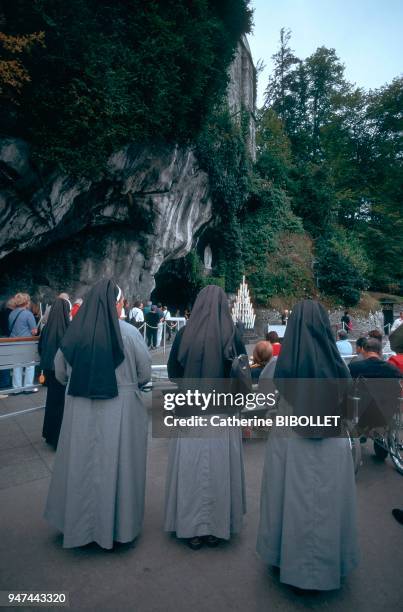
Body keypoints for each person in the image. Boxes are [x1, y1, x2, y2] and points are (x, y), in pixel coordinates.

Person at [256, 300, 358, 591]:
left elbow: (265, 399)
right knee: (326, 502)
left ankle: (283, 557)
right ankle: (328, 562)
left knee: (288, 498)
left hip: (289, 439)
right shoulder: (340, 367)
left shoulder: (279, 365)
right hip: (331, 442)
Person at [44, 280, 151, 549]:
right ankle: (117, 527)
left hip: (79, 407)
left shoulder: (74, 334)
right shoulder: (129, 333)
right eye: (121, 301)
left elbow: (59, 371)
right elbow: (144, 374)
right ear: (115, 304)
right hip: (121, 409)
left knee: (81, 465)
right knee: (117, 466)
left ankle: (78, 525)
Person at [164, 285, 246, 550]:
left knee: (191, 469)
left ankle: (191, 528)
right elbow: (243, 376)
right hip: (222, 413)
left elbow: (173, 372)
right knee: (220, 470)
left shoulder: (184, 334)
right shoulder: (233, 334)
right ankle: (216, 527)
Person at [39, 297, 71, 448]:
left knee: (51, 402)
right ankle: (58, 438)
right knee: (61, 404)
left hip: (48, 370)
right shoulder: (68, 328)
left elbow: (40, 348)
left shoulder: (46, 328)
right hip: (62, 371)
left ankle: (48, 433)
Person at [8, 293, 38, 394]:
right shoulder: (28, 314)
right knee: (30, 365)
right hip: (26, 343)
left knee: (17, 365)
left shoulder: (12, 313)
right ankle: (28, 387)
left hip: (13, 343)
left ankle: (16, 389)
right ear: (26, 302)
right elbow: (34, 331)